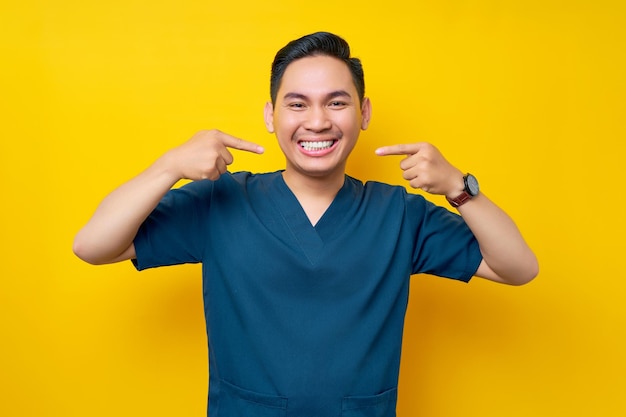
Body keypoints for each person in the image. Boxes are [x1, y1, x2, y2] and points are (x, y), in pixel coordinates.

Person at [74, 31, 538, 417]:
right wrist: (167, 167)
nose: (317, 122)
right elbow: (93, 246)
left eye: (336, 103)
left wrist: (459, 186)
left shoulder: (399, 213)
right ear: (270, 117)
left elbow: (518, 267)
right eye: (297, 105)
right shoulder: (222, 201)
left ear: (365, 113)